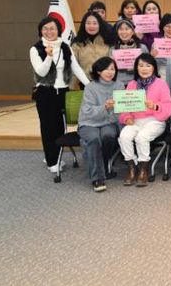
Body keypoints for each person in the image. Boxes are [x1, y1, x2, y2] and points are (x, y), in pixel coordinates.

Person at [30, 17, 90, 172]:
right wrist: (49, 56)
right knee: (48, 127)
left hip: (63, 92)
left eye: (52, 28)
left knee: (60, 127)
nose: (49, 31)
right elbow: (41, 72)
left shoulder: (65, 47)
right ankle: (52, 161)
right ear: (40, 31)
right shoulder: (35, 49)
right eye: (45, 28)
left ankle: (55, 155)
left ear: (58, 30)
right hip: (45, 93)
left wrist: (90, 86)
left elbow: (75, 68)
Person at [118, 53, 171, 187]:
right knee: (124, 136)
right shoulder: (132, 84)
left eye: (148, 66)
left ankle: (144, 169)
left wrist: (155, 106)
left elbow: (168, 107)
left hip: (155, 120)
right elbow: (125, 106)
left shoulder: (161, 84)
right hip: (135, 120)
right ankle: (132, 166)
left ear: (154, 68)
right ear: (136, 68)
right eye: (141, 66)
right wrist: (127, 118)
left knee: (141, 137)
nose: (144, 69)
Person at [78, 57, 123, 192]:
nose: (110, 72)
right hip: (89, 123)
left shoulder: (119, 85)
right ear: (98, 71)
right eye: (106, 69)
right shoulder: (90, 87)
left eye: (112, 69)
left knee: (108, 135)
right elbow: (88, 112)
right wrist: (105, 107)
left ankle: (102, 165)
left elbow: (121, 109)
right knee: (94, 138)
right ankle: (97, 178)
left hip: (108, 121)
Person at [70, 11, 112, 88]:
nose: (91, 26)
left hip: (106, 82)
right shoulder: (77, 43)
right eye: (88, 23)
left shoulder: (108, 40)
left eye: (95, 23)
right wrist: (71, 87)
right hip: (85, 83)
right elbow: (74, 65)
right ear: (84, 25)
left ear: (100, 25)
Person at [112, 18, 149, 87]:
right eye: (120, 29)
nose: (124, 32)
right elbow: (110, 70)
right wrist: (113, 64)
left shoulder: (142, 48)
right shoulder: (113, 49)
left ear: (132, 32)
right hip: (119, 84)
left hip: (139, 82)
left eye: (127, 29)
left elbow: (149, 66)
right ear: (117, 32)